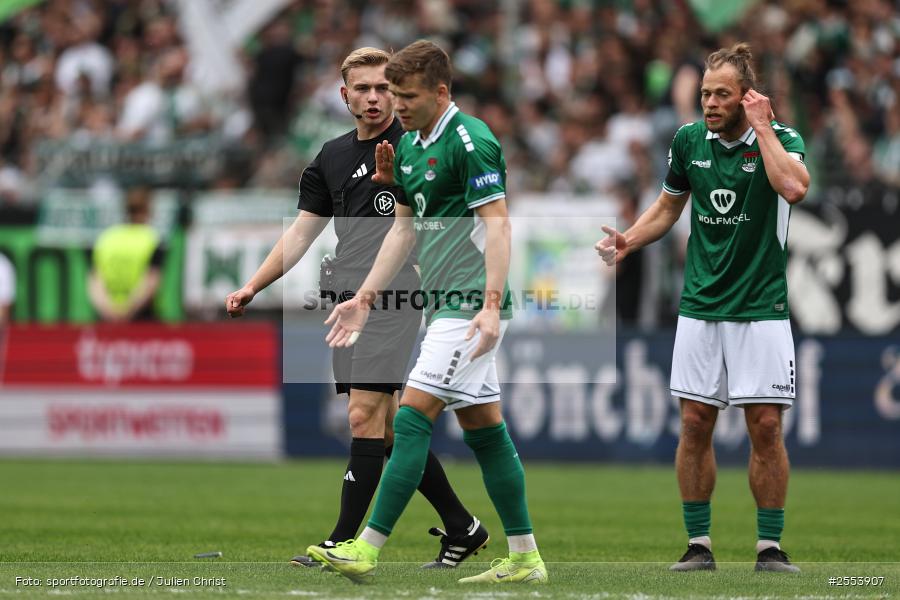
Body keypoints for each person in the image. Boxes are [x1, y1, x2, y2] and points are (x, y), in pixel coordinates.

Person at [224, 47, 488, 569]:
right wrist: (253, 285)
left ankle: (343, 541)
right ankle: (462, 526)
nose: (375, 97)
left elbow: (447, 218)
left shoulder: (416, 146)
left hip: (394, 298)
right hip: (345, 298)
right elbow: (302, 232)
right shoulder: (331, 156)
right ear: (344, 95)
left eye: (383, 88)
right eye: (363, 88)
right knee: (388, 431)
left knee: (363, 417)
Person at [317, 40, 547, 585]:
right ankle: (525, 556)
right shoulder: (411, 148)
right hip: (443, 302)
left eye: (408, 95)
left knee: (410, 418)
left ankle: (363, 547)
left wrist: (491, 309)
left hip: (469, 306)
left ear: (442, 92)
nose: (397, 106)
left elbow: (498, 224)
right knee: (486, 431)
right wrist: (365, 298)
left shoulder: (471, 141)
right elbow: (402, 230)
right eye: (393, 94)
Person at [597, 43, 809, 573]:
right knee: (694, 423)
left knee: (765, 426)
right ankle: (698, 545)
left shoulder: (781, 140)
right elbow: (669, 205)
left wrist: (762, 130)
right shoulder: (689, 141)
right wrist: (631, 239)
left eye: (721, 94)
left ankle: (770, 548)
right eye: (705, 94)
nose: (709, 103)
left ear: (747, 97)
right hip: (700, 307)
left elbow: (794, 187)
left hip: (761, 307)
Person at [88, 187, 163, 322]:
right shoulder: (151, 239)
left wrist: (107, 311)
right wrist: (128, 311)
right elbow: (150, 283)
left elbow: (95, 282)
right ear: (148, 210)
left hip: (107, 319)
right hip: (140, 318)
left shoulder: (107, 238)